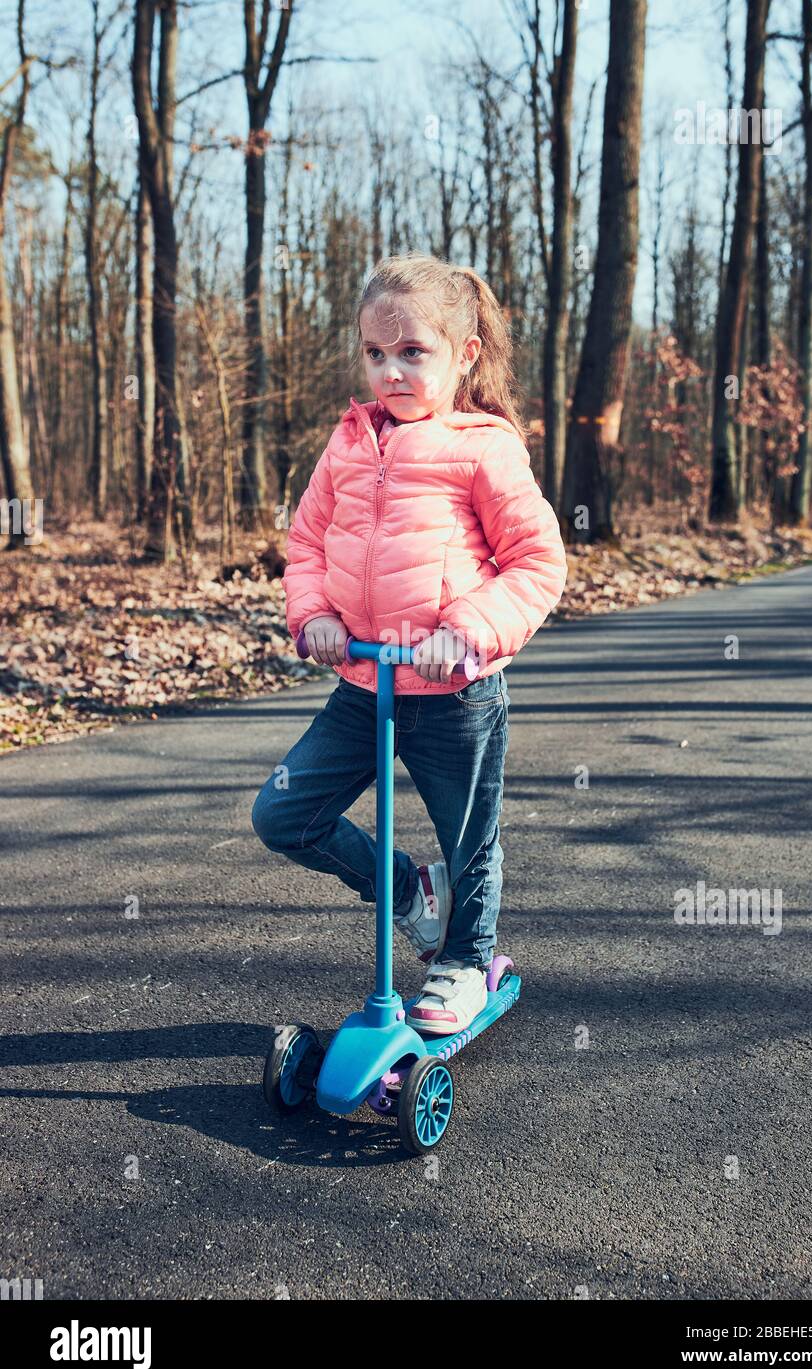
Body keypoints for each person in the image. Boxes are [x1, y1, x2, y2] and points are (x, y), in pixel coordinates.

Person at [251, 252, 567, 1034]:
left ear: (463, 355)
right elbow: (307, 544)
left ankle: (465, 960)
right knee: (284, 816)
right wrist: (313, 615)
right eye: (375, 353)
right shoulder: (351, 442)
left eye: (412, 352)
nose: (390, 370)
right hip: (364, 685)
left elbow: (537, 563)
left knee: (470, 840)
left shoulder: (482, 447)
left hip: (455, 693)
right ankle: (403, 890)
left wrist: (466, 631)